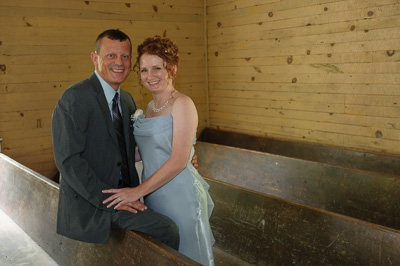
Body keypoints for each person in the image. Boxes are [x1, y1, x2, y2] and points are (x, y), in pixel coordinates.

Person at [51, 29, 182, 248]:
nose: (119, 62)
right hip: (93, 205)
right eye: (111, 55)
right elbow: (68, 161)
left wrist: (182, 154)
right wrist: (111, 201)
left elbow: (126, 150)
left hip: (127, 196)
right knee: (167, 229)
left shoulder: (127, 101)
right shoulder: (74, 98)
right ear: (95, 58)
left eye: (125, 56)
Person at [103, 36, 215, 266]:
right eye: (144, 70)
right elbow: (146, 153)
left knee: (187, 256)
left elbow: (177, 161)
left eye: (157, 68)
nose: (149, 76)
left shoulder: (182, 104)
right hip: (155, 195)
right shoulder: (149, 109)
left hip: (181, 195)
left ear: (172, 69)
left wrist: (136, 192)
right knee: (164, 257)